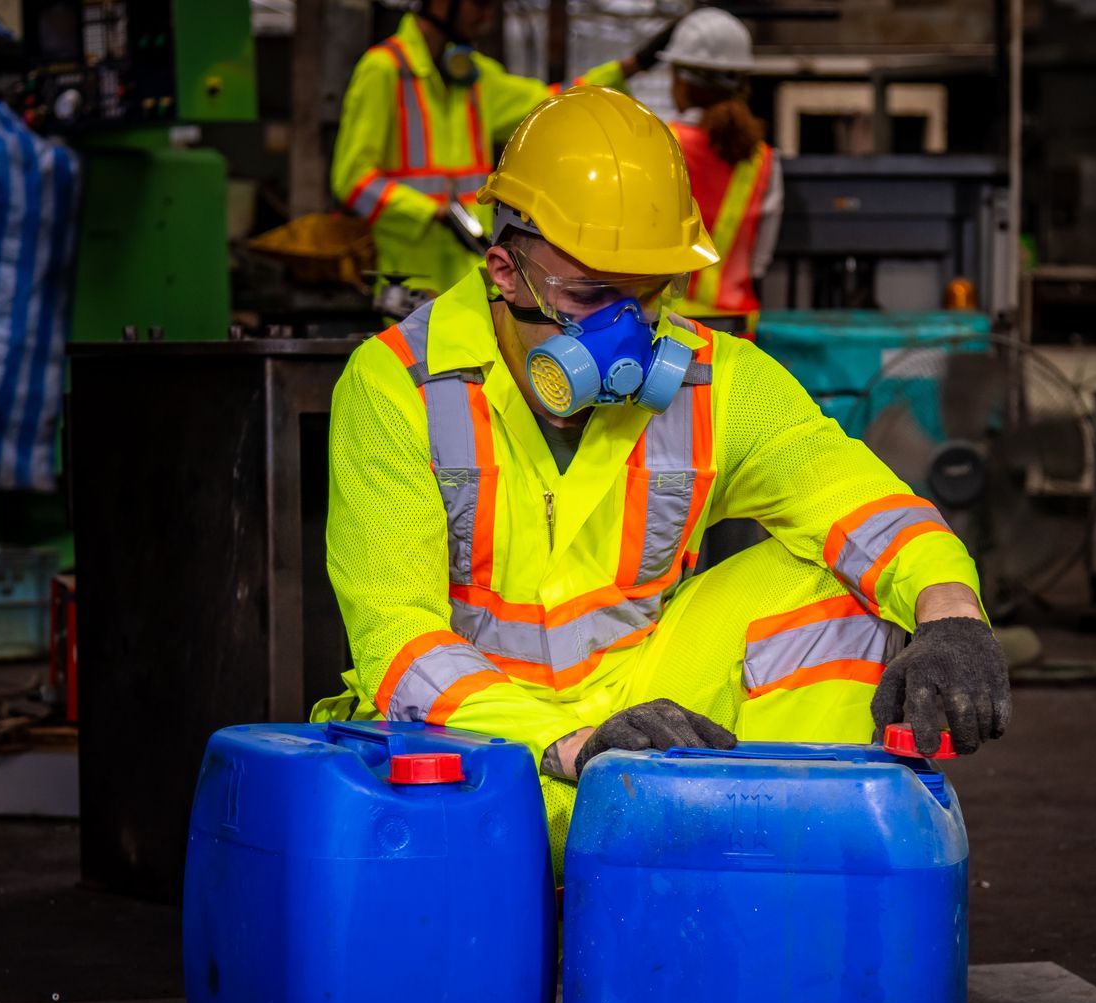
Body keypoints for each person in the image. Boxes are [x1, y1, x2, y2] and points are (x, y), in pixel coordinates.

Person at [317, 87, 1010, 875]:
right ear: (505, 272)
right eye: (590, 298)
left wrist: (951, 613)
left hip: (650, 721)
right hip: (474, 748)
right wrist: (568, 744)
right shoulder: (398, 386)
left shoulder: (715, 383)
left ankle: (783, 878)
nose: (630, 333)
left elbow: (860, 500)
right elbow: (396, 638)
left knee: (849, 587)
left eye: (648, 295)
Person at [331, 0, 677, 301]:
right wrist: (429, 212)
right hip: (411, 280)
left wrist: (631, 66)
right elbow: (353, 180)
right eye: (479, 4)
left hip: (473, 273)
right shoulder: (383, 71)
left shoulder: (475, 78)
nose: (486, 17)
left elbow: (552, 102)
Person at [659, 7, 781, 331]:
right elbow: (759, 262)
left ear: (681, 83)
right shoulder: (763, 158)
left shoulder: (658, 143)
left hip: (668, 327)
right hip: (736, 329)